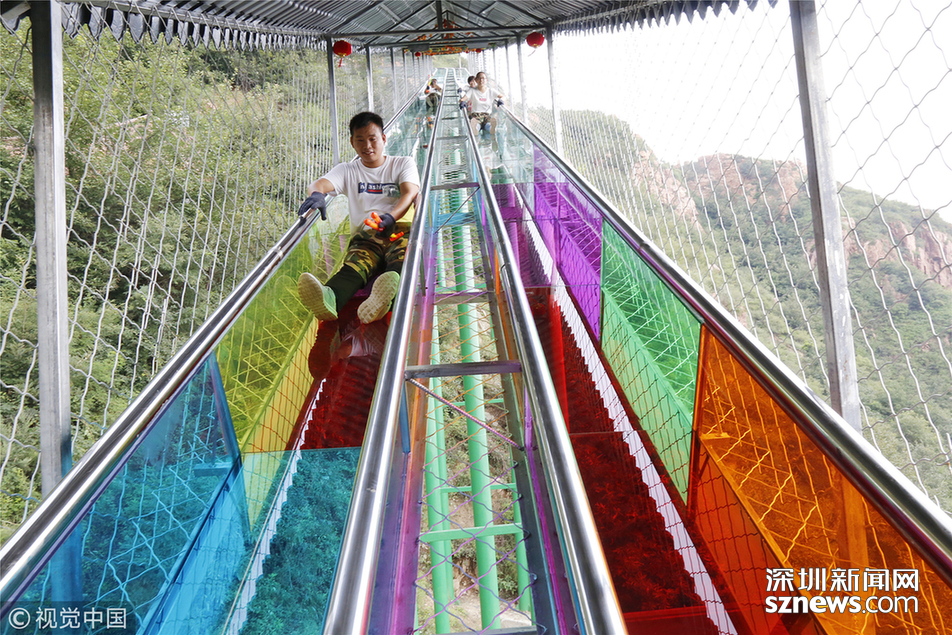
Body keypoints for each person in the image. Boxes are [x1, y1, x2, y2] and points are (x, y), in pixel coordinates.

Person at [296, 111, 420, 324]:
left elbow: (409, 193)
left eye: (372, 139)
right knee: (355, 264)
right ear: (352, 142)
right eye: (360, 140)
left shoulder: (402, 163)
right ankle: (330, 299)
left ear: (383, 138)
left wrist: (390, 217)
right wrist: (316, 195)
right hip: (367, 235)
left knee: (402, 260)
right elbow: (319, 184)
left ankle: (386, 300)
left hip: (399, 228)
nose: (367, 146)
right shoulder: (348, 170)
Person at [459, 71, 504, 139]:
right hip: (476, 115)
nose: (481, 80)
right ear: (476, 80)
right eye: (479, 78)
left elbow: (502, 96)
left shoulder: (491, 91)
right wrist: (462, 102)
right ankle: (475, 129)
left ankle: (492, 129)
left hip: (487, 115)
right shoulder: (472, 91)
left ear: (486, 80)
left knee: (488, 124)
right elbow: (462, 99)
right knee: (476, 124)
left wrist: (500, 100)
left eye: (483, 78)